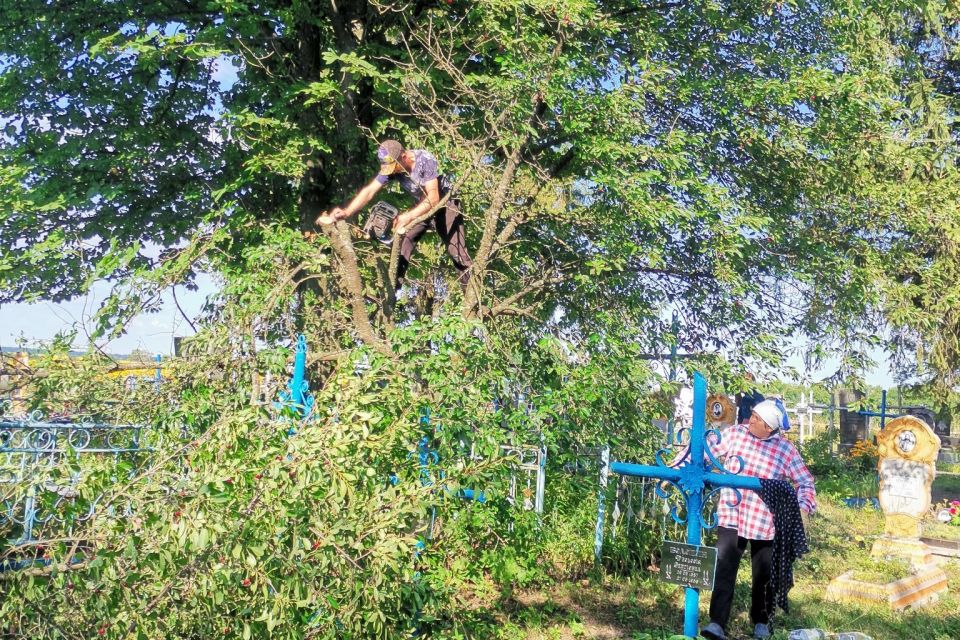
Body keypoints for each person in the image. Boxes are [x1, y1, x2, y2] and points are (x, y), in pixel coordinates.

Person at [698, 399, 816, 640]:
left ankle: (761, 621)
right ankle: (717, 623)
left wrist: (802, 509)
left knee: (764, 573)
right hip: (733, 513)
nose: (750, 419)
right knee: (724, 566)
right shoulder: (734, 435)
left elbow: (805, 482)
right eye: (752, 415)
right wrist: (687, 461)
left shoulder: (785, 449)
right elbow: (706, 449)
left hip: (766, 521)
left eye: (757, 419)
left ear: (770, 428)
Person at [314, 139, 473, 289]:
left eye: (394, 167)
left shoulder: (425, 160)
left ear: (404, 157)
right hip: (422, 204)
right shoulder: (393, 166)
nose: (391, 172)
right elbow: (369, 191)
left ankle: (472, 299)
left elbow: (434, 197)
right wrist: (347, 211)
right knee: (404, 239)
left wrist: (409, 216)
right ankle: (392, 289)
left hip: (446, 204)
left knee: (456, 250)